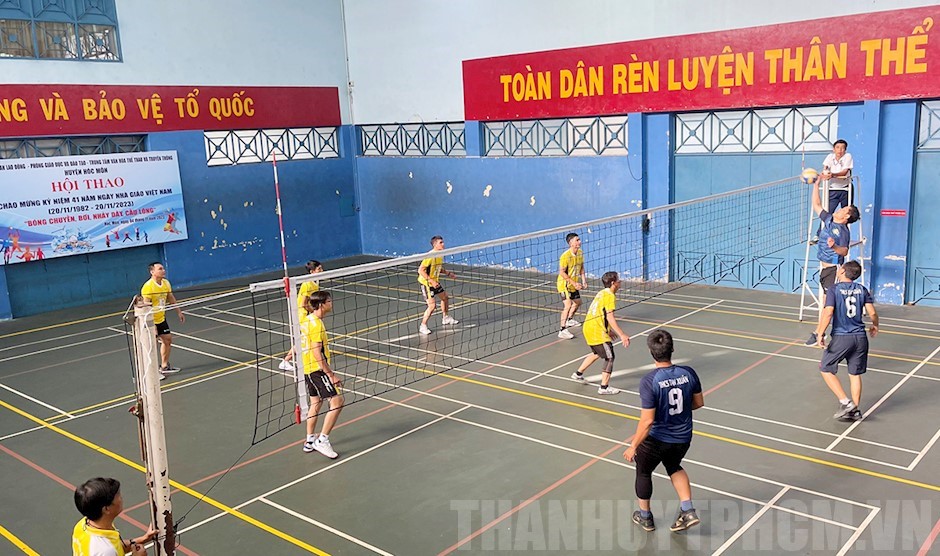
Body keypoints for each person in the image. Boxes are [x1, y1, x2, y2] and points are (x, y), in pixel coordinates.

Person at [624, 329, 704, 533]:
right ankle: (688, 510)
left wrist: (633, 445)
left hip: (656, 439)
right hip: (683, 437)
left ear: (652, 352)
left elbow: (647, 421)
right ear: (672, 349)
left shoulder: (649, 381)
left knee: (643, 471)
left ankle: (645, 517)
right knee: (674, 466)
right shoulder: (689, 373)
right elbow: (698, 403)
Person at [815, 261, 878, 421]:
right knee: (854, 374)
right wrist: (875, 325)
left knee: (825, 368)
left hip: (842, 337)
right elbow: (872, 312)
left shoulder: (834, 289)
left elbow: (828, 312)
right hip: (860, 338)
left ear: (842, 271)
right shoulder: (862, 289)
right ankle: (854, 410)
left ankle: (846, 402)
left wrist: (820, 333)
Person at [805, 176, 859, 346]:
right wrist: (816, 185)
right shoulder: (829, 219)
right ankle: (834, 331)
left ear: (846, 216)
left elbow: (845, 251)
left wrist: (834, 246)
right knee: (828, 304)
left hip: (834, 270)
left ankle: (818, 334)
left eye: (845, 209)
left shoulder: (843, 231)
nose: (841, 209)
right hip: (825, 269)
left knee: (828, 305)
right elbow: (816, 205)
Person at [300, 291, 344, 458]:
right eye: (329, 301)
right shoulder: (316, 324)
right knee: (337, 402)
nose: (331, 303)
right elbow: (316, 352)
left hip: (307, 368)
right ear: (321, 305)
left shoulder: (307, 320)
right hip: (317, 370)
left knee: (315, 403)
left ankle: (310, 440)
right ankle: (322, 440)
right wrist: (331, 375)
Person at [570, 271, 629, 395]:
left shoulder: (601, 293)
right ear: (613, 283)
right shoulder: (610, 296)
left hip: (589, 327)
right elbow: (610, 316)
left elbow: (599, 313)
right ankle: (604, 387)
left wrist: (609, 330)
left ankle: (578, 374)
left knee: (597, 353)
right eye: (618, 280)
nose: (620, 282)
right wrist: (622, 334)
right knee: (609, 357)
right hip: (596, 330)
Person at [72, 477, 157, 556]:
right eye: (118, 496)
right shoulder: (104, 551)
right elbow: (110, 550)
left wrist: (144, 539)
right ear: (106, 509)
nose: (121, 498)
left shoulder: (83, 525)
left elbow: (116, 546)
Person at [141, 262, 185, 379]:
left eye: (163, 268)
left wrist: (179, 311)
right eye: (160, 269)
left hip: (161, 319)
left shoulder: (166, 283)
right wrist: (152, 325)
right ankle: (152, 373)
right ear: (152, 272)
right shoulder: (148, 287)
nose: (163, 270)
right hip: (151, 321)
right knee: (151, 347)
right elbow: (146, 307)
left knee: (167, 340)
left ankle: (164, 366)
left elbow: (171, 297)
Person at [281, 260, 324, 371]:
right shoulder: (307, 284)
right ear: (312, 271)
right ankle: (286, 361)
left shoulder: (315, 282)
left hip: (308, 313)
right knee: (303, 339)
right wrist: (314, 312)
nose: (322, 271)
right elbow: (303, 304)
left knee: (307, 337)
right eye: (319, 269)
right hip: (302, 314)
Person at [418, 235, 459, 335]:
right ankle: (423, 325)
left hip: (435, 282)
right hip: (427, 284)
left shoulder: (440, 255)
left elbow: (438, 268)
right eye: (441, 243)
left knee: (445, 298)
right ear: (435, 245)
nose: (443, 244)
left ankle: (445, 318)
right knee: (432, 306)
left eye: (443, 242)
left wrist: (448, 273)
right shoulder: (430, 256)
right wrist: (431, 281)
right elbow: (420, 270)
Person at [557, 232, 587, 339]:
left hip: (573, 283)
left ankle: (569, 320)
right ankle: (562, 330)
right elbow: (562, 272)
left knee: (578, 302)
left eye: (579, 239)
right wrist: (574, 283)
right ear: (571, 243)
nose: (580, 242)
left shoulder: (580, 253)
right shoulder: (565, 256)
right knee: (568, 305)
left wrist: (583, 281)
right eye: (577, 240)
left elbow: (581, 267)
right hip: (564, 284)